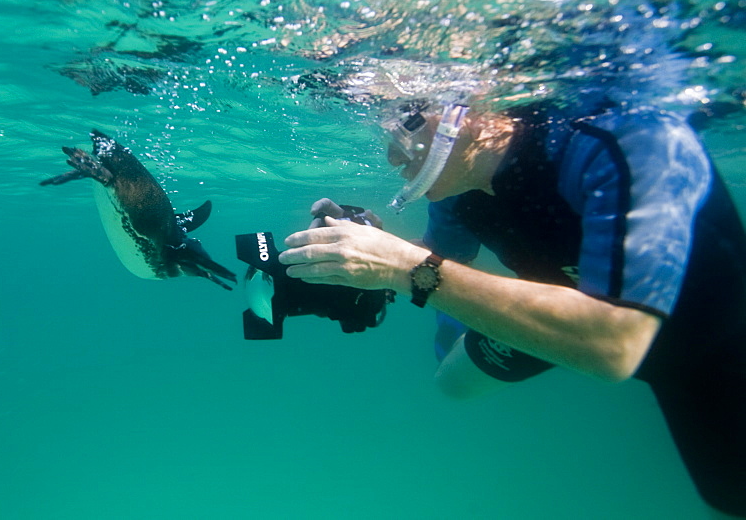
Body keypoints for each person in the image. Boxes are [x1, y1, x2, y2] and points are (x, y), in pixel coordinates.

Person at [277, 98, 746, 517]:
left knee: (729, 497)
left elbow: (614, 344)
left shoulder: (627, 141)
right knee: (453, 383)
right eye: (382, 126)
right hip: (569, 310)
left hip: (707, 347)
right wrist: (366, 249)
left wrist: (402, 266)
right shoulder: (456, 188)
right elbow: (442, 260)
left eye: (404, 120)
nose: (391, 153)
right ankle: (554, 326)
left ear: (471, 107)